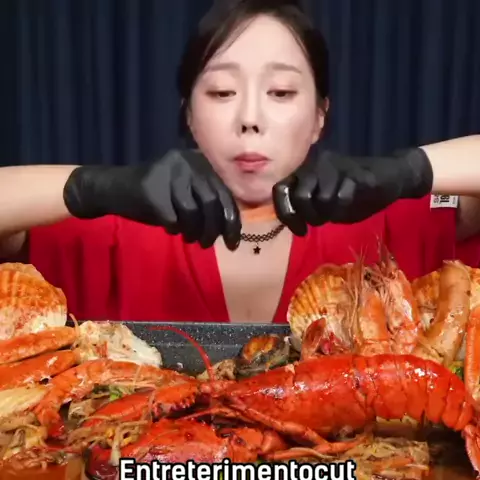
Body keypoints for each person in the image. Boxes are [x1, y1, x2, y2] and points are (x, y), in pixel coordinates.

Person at [1, 0, 480, 324]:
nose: (250, 118)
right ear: (189, 115)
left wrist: (407, 172)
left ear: (319, 116)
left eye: (281, 92)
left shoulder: (389, 221)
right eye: (222, 92)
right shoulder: (111, 229)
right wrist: (91, 189)